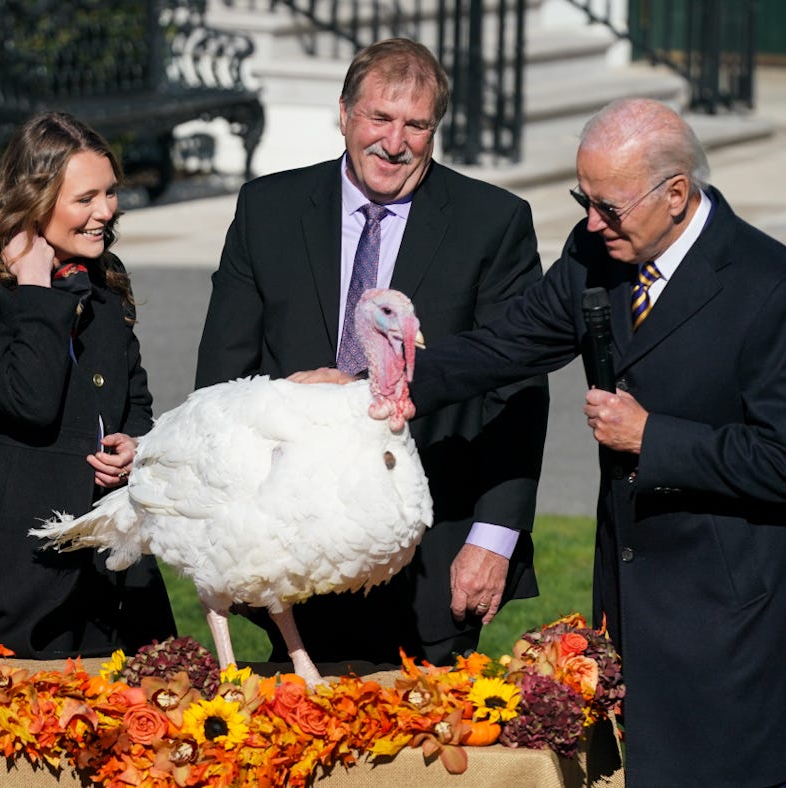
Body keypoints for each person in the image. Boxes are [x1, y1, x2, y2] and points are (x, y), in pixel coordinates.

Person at [303, 97, 786, 786]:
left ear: (676, 195)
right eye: (585, 199)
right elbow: (505, 347)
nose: (589, 222)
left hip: (731, 615)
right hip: (633, 596)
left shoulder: (772, 287)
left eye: (609, 207)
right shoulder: (597, 253)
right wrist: (367, 382)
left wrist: (652, 437)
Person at [194, 38, 549, 669]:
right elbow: (221, 379)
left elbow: (517, 392)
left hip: (434, 554)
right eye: (379, 118)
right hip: (290, 553)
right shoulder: (267, 210)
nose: (395, 141)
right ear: (344, 114)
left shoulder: (492, 223)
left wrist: (493, 541)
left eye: (416, 125)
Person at [0, 111, 177, 660]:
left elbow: (135, 399)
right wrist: (37, 287)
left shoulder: (102, 275)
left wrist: (137, 446)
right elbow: (28, 401)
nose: (105, 212)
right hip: (21, 566)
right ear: (33, 200)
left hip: (117, 565)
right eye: (85, 199)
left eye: (109, 193)